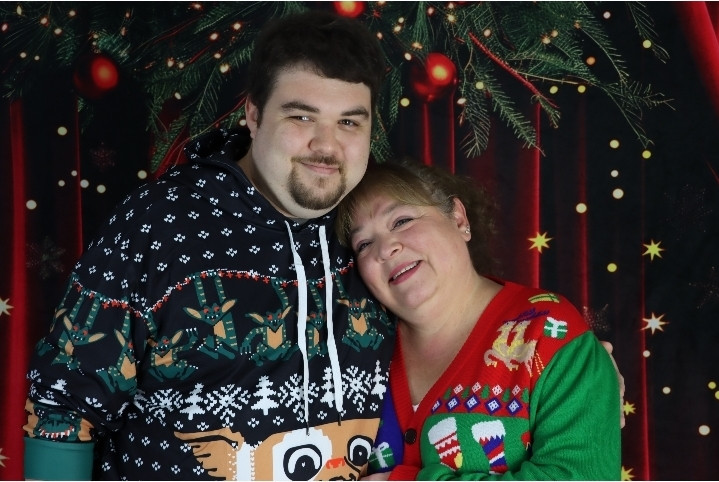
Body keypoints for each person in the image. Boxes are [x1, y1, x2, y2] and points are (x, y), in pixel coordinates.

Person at [23, 11, 396, 480]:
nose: (327, 145)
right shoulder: (158, 222)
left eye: (349, 122)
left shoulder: (376, 232)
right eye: (302, 116)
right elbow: (63, 407)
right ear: (254, 115)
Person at [335, 159, 622, 480]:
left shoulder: (549, 331)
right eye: (364, 244)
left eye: (402, 221)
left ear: (458, 219)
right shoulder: (356, 349)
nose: (385, 249)